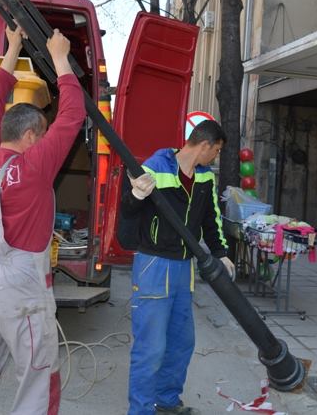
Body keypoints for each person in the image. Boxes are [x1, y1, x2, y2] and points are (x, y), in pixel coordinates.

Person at [0, 25, 84, 414]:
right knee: (37, 382)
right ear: (29, 136)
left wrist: (12, 49)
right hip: (21, 289)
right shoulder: (33, 166)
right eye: (40, 137)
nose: (44, 144)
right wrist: (59, 57)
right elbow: (73, 115)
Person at [123, 120, 234, 415]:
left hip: (185, 269)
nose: (216, 157)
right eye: (217, 150)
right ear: (205, 145)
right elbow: (127, 211)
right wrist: (135, 194)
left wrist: (221, 253)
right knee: (151, 348)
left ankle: (167, 400)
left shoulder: (204, 177)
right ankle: (140, 411)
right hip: (154, 266)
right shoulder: (155, 167)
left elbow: (212, 219)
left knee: (181, 343)